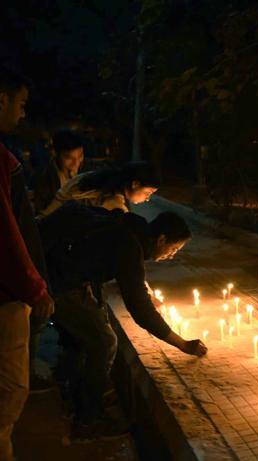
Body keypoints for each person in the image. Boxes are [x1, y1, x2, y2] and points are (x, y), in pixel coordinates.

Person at [40, 204, 206, 440]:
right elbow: (140, 309)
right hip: (57, 281)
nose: (173, 255)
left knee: (87, 331)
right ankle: (88, 421)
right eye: (174, 248)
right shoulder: (129, 245)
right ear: (161, 239)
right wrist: (182, 344)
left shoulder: (130, 228)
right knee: (104, 342)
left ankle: (78, 393)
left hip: (61, 272)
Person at [0, 65, 55, 461]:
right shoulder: (2, 160)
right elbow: (7, 233)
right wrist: (36, 287)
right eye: (20, 104)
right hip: (5, 295)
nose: (22, 114)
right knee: (10, 389)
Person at [38, 160, 159, 217]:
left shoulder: (94, 177)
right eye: (148, 192)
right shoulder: (114, 204)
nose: (147, 198)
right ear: (135, 184)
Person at [33, 129, 84, 213]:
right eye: (69, 158)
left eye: (80, 156)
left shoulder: (90, 169)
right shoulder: (43, 178)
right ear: (54, 154)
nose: (76, 163)